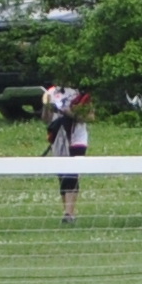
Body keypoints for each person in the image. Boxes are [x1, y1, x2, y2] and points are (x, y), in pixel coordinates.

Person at [38, 81, 92, 222]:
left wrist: (69, 112)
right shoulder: (51, 92)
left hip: (77, 138)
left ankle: (68, 213)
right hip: (59, 137)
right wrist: (46, 106)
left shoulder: (79, 93)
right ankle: (68, 211)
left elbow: (90, 117)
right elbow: (46, 119)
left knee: (71, 173)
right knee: (62, 175)